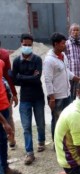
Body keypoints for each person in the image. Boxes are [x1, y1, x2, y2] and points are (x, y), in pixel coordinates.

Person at [12, 33, 46, 165]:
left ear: (32, 45)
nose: (26, 47)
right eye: (24, 45)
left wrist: (22, 77)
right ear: (21, 44)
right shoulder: (16, 61)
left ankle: (41, 141)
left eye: (29, 45)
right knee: (26, 127)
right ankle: (29, 153)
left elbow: (37, 78)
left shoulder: (37, 59)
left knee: (40, 123)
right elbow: (14, 79)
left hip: (38, 97)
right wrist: (30, 77)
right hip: (25, 98)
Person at [44, 32, 80, 142]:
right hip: (57, 97)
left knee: (67, 119)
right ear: (55, 44)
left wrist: (77, 78)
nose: (65, 45)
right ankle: (57, 143)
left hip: (67, 94)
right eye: (63, 43)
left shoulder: (63, 56)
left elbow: (66, 71)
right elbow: (47, 80)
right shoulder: (49, 60)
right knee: (57, 120)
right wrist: (52, 98)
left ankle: (66, 142)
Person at [0, 40, 18, 150]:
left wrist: (14, 94)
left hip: (4, 93)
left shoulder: (4, 56)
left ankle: (11, 138)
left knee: (8, 116)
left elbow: (8, 76)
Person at [65, 23, 80, 101]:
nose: (75, 32)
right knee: (71, 98)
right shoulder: (66, 44)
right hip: (70, 76)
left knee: (79, 97)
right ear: (70, 32)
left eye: (77, 30)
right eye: (74, 30)